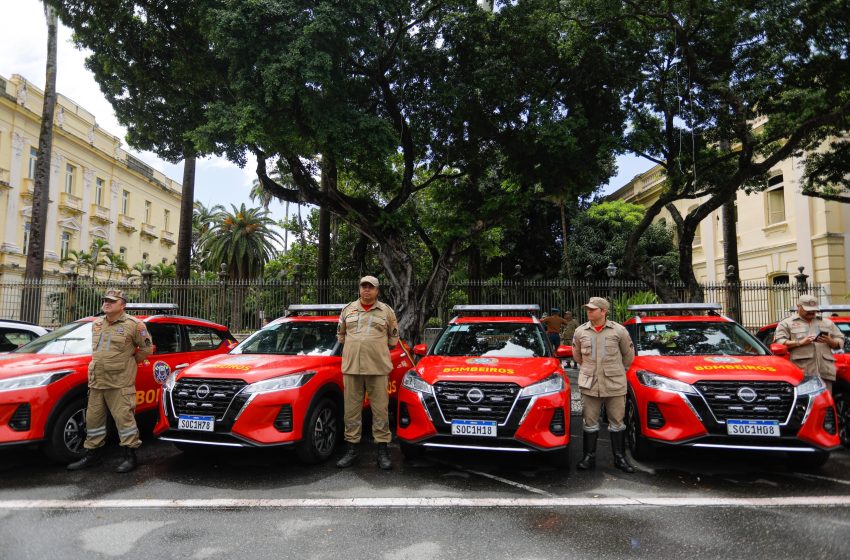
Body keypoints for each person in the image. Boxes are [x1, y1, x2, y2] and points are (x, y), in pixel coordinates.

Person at [67, 289, 153, 473]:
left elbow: (147, 350)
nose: (106, 303)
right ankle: (93, 455)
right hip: (97, 381)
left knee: (124, 420)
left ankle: (130, 456)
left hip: (120, 382)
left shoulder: (134, 325)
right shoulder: (97, 323)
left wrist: (128, 363)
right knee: (93, 420)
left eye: (112, 301)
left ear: (122, 305)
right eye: (105, 300)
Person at [335, 275, 400, 470]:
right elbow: (341, 336)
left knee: (380, 411)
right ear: (359, 289)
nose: (367, 290)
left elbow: (393, 340)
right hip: (352, 368)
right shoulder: (348, 310)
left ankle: (382, 452)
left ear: (377, 291)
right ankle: (352, 451)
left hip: (378, 369)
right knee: (351, 412)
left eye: (371, 287)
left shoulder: (386, 312)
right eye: (363, 286)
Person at [572, 297, 636, 473]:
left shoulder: (619, 331)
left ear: (603, 311)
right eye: (588, 309)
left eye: (593, 309)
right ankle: (588, 457)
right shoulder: (580, 331)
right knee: (589, 422)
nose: (589, 311)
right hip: (590, 383)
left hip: (614, 383)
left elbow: (628, 356)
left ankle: (620, 458)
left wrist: (615, 369)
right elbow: (577, 356)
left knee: (617, 422)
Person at [774, 295, 844, 393]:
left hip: (825, 372)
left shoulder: (827, 323)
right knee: (805, 404)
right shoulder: (786, 323)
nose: (811, 312)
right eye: (808, 309)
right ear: (798, 306)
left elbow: (840, 339)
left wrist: (831, 341)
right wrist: (799, 343)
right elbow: (780, 342)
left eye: (814, 309)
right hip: (802, 373)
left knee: (825, 404)